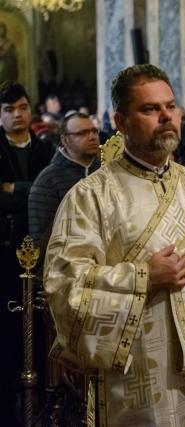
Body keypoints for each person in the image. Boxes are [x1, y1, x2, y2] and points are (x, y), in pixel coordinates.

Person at [43, 64, 185, 425]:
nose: (166, 117)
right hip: (134, 369)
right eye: (150, 109)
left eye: (170, 106)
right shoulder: (90, 196)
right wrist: (144, 277)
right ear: (121, 120)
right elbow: (65, 285)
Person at [0, 81, 54, 424]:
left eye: (22, 108)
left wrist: (13, 189)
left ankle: (44, 409)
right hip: (4, 258)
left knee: (40, 332)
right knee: (7, 338)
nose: (17, 115)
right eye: (8, 110)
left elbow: (51, 190)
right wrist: (32, 190)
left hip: (41, 253)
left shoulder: (45, 150)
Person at [28, 112, 100, 245]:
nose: (92, 137)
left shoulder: (105, 170)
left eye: (94, 131)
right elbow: (40, 240)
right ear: (65, 140)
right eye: (83, 133)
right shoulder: (48, 180)